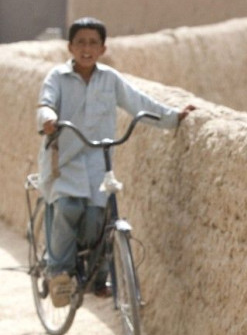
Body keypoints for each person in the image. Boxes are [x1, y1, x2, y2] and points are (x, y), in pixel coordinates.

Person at [37, 17, 196, 307]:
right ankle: (59, 272)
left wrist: (173, 117)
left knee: (98, 220)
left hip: (99, 159)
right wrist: (48, 118)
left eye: (93, 43)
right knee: (69, 207)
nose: (87, 48)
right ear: (70, 46)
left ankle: (97, 279)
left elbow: (139, 103)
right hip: (65, 159)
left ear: (103, 48)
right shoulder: (57, 78)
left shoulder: (110, 79)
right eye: (81, 42)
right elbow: (46, 102)